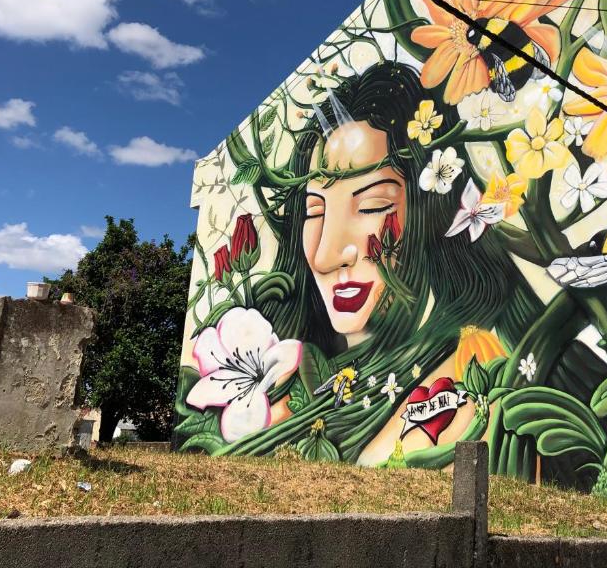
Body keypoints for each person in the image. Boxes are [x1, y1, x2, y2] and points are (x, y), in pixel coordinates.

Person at [224, 60, 567, 463]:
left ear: (432, 209)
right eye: (314, 211)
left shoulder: (479, 368)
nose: (326, 255)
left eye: (372, 205)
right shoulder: (296, 372)